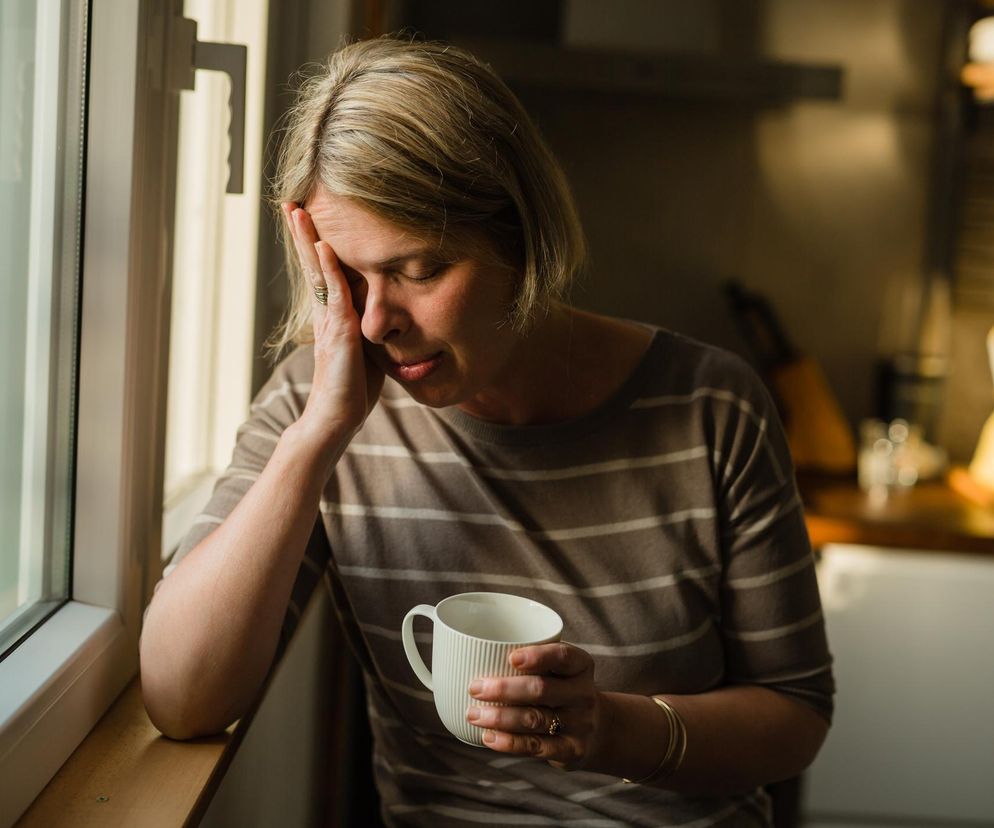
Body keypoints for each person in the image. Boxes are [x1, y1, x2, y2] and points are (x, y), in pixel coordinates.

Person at [139, 35, 834, 827]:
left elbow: (795, 714)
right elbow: (182, 698)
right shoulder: (320, 402)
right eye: (347, 279)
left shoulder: (713, 410)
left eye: (420, 270)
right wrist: (316, 438)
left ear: (521, 237)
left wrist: (609, 729)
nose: (376, 322)